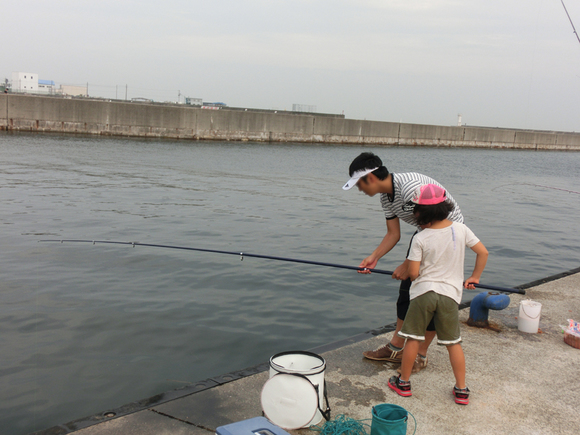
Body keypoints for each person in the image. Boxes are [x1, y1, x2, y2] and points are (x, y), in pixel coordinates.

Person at [342, 152, 464, 372]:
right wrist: (374, 257)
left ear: (370, 178)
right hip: (424, 234)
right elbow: (393, 234)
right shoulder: (385, 197)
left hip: (447, 236)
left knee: (431, 295)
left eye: (358, 184)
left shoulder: (411, 189)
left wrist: (408, 265)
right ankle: (396, 347)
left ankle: (420, 355)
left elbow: (436, 225)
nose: (359, 190)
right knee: (407, 293)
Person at [387, 183, 488, 405]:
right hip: (450, 295)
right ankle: (461, 390)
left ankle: (403, 383)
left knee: (413, 338)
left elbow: (413, 273)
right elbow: (483, 252)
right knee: (454, 343)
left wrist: (408, 273)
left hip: (424, 294)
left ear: (420, 213)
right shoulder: (461, 229)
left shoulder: (420, 238)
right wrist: (474, 277)